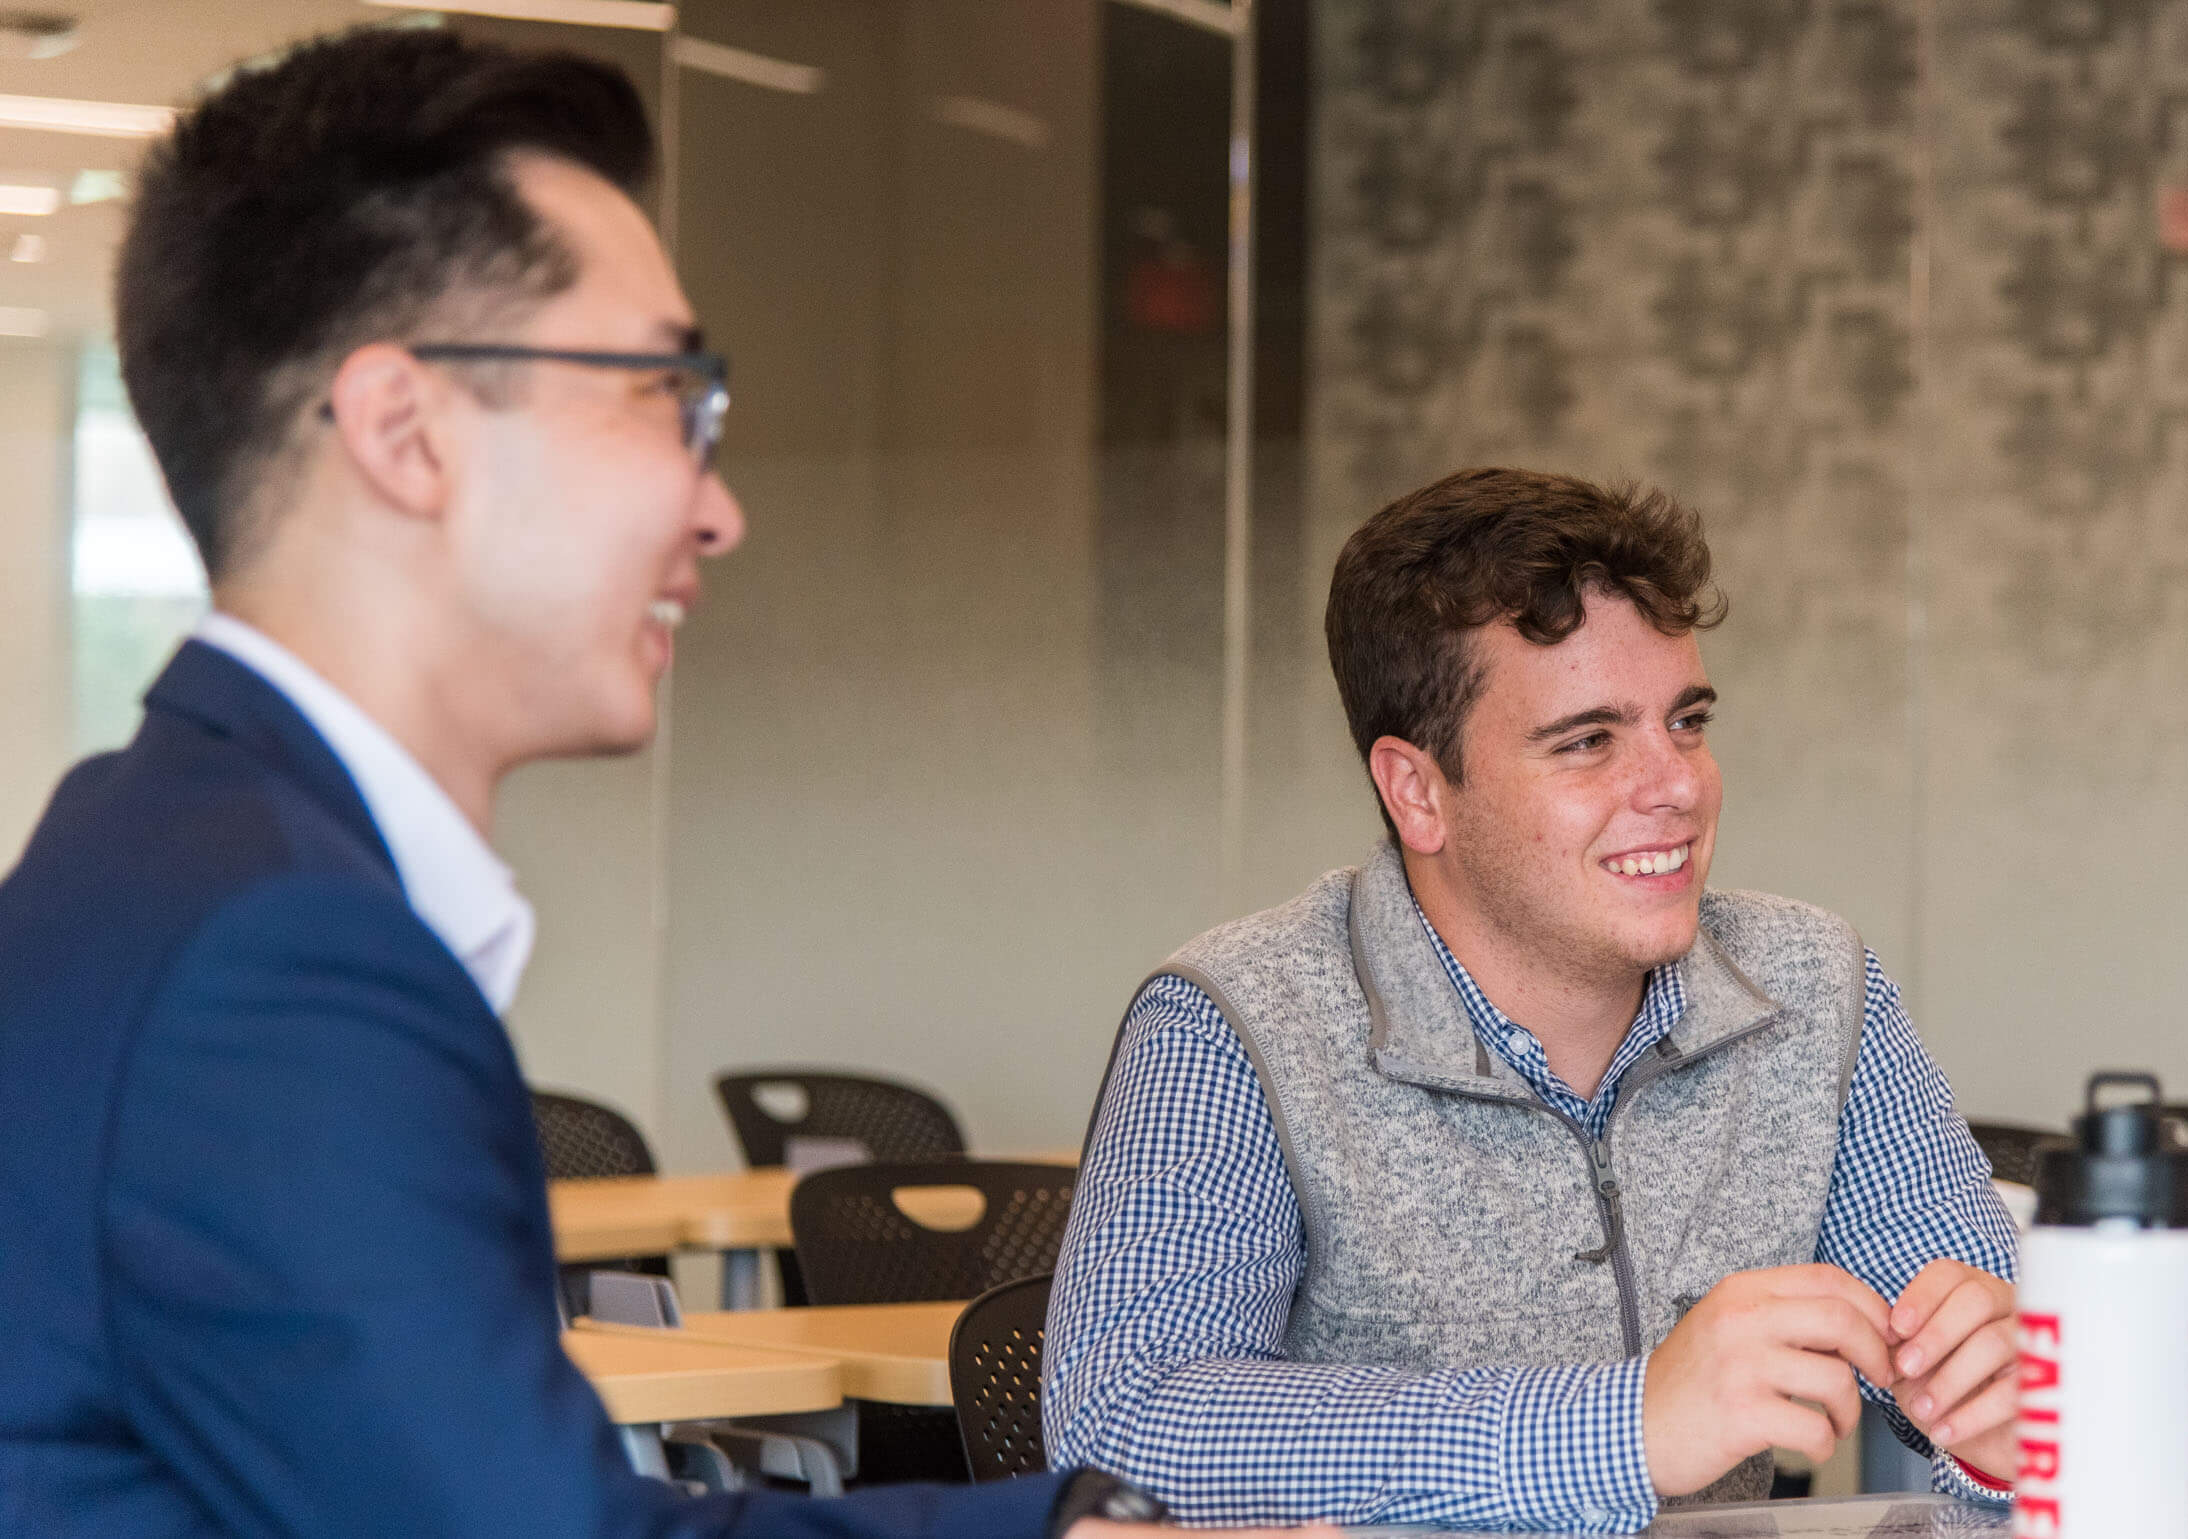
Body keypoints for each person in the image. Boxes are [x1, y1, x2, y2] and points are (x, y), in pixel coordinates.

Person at [0, 28, 1288, 1539]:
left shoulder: (150, 846)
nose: (719, 505)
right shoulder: (277, 959)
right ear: (404, 430)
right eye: (662, 392)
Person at [1045, 468, 2027, 1530]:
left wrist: (2009, 1416)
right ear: (1418, 790)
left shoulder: (1815, 986)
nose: (1680, 785)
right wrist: (1626, 1426)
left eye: (1686, 722)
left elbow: (1999, 1383)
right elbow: (1124, 1429)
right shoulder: (1232, 1020)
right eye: (1589, 741)